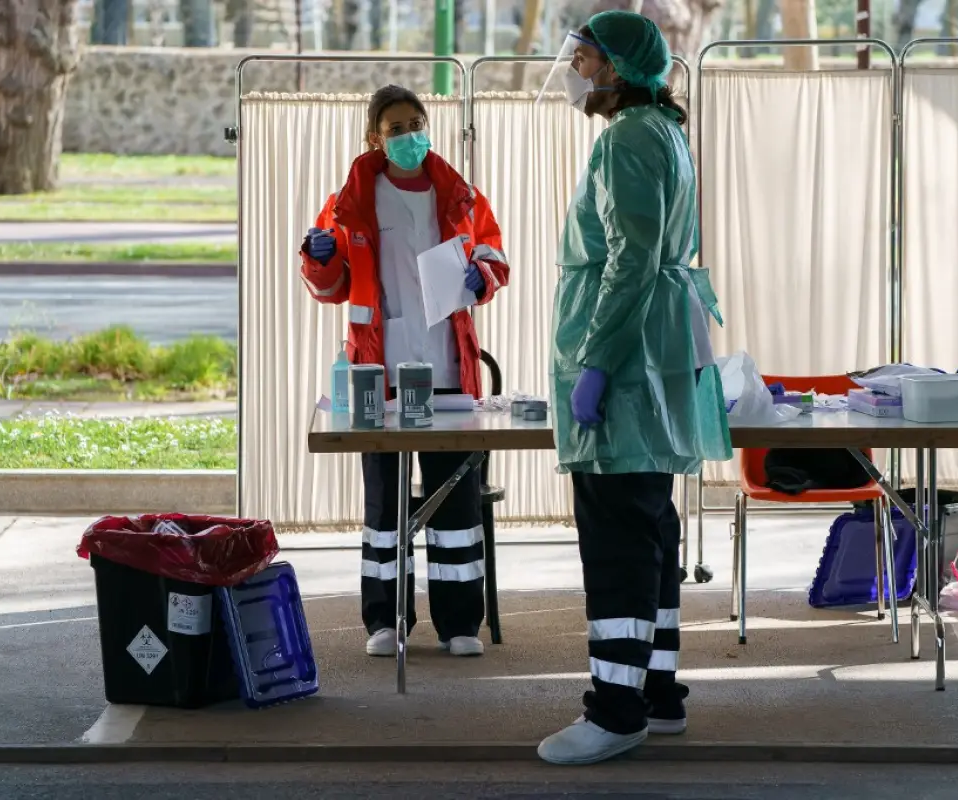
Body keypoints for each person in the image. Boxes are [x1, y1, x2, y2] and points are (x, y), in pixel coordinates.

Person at [538, 11, 731, 766]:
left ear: (618, 69)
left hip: (626, 360)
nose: (578, 73)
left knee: (617, 533)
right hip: (656, 355)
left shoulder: (626, 140)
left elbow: (629, 261)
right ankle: (658, 693)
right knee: (651, 527)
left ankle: (615, 711)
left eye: (586, 60)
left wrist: (595, 361)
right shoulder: (664, 133)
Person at [299, 85, 510, 659]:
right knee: (384, 503)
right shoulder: (352, 200)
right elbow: (331, 284)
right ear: (375, 137)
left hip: (447, 364)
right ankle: (384, 619)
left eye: (417, 122)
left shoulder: (459, 195)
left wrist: (481, 277)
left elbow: (493, 254)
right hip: (380, 372)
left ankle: (460, 623)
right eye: (396, 127)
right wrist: (318, 257)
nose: (410, 134)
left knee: (455, 502)